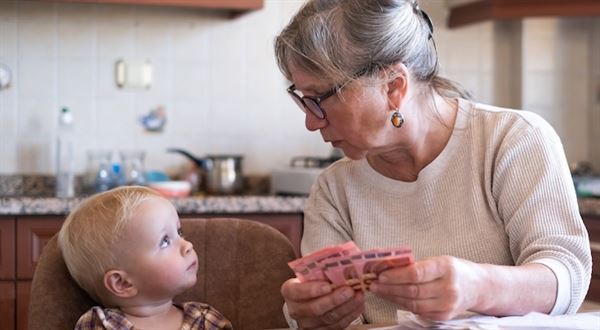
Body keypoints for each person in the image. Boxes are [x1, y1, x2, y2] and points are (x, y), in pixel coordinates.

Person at [274, 0, 592, 328]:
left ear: (393, 86)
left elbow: (567, 277)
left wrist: (477, 287)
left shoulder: (512, 140)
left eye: (318, 100)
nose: (311, 123)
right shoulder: (334, 189)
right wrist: (311, 315)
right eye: (303, 101)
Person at [57, 186, 232, 330]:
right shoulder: (100, 324)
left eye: (179, 232)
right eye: (165, 241)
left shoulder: (205, 320)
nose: (188, 246)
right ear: (122, 283)